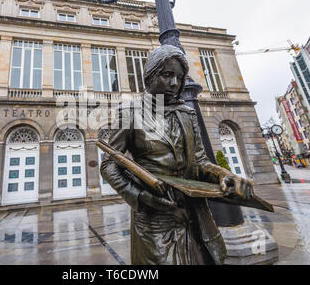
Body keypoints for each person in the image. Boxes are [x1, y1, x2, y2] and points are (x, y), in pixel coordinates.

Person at [100, 45, 254, 265]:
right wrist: (141, 198)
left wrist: (223, 174)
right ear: (150, 76)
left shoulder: (187, 113)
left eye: (180, 77)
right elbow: (109, 165)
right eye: (167, 75)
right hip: (155, 221)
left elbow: (199, 160)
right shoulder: (130, 112)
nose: (174, 83)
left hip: (194, 215)